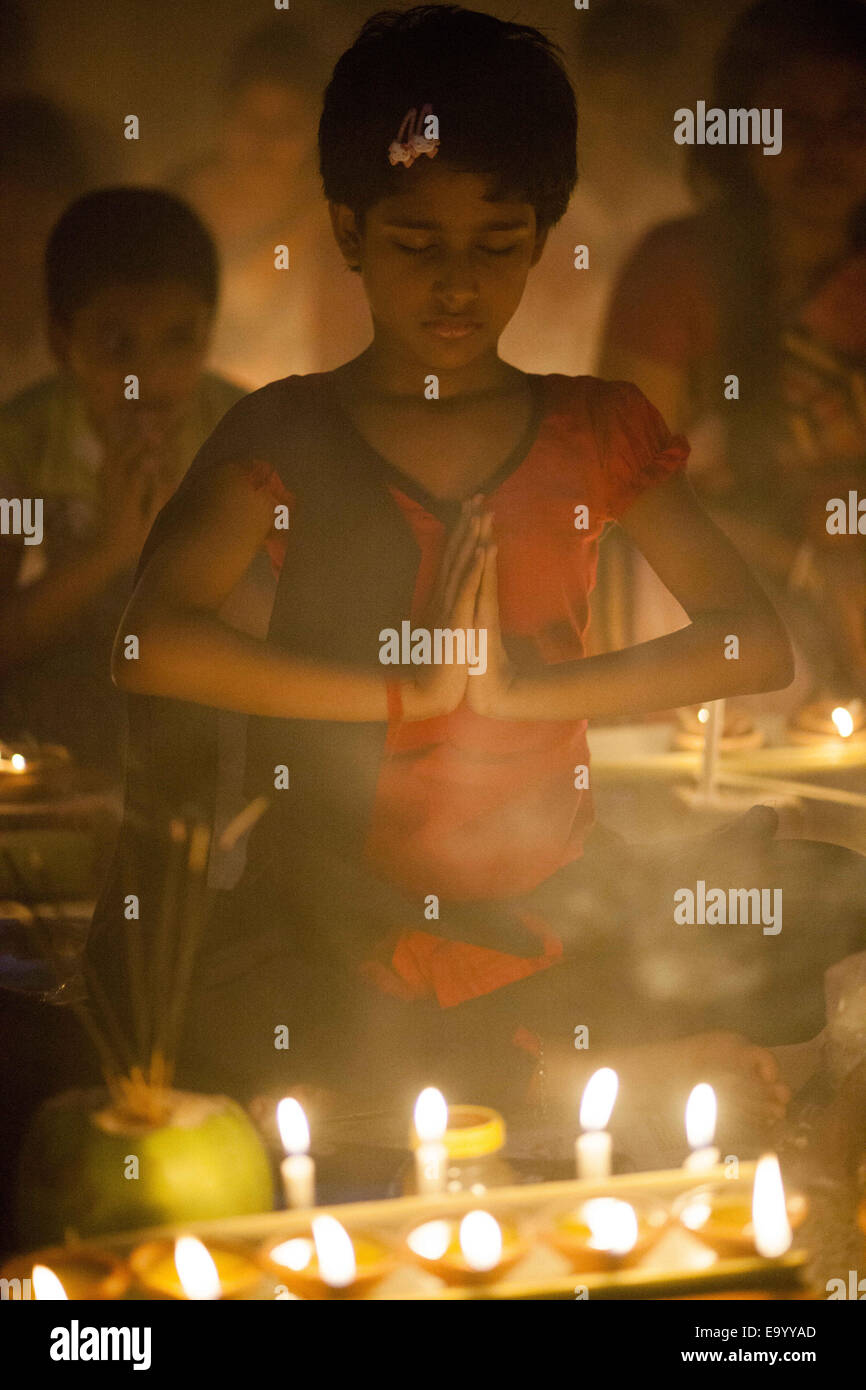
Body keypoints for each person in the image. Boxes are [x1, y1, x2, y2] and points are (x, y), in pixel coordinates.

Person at [86, 6, 865, 1141]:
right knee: (229, 1028)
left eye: (496, 244)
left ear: (543, 236)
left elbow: (750, 641)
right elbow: (149, 643)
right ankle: (562, 1080)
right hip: (340, 914)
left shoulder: (595, 431)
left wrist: (517, 695)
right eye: (415, 242)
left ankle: (539, 1067)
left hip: (557, 895)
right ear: (348, 231)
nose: (456, 281)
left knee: (829, 889)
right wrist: (404, 694)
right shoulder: (287, 435)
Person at [599, 0, 866, 721]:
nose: (825, 150)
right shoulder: (681, 269)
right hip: (726, 583)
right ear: (741, 129)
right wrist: (805, 565)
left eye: (852, 121)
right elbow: (620, 488)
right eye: (793, 122)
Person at [0, 187, 246, 771]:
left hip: (209, 716)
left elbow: (292, 626)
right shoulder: (21, 447)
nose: (149, 376)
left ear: (208, 334)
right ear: (64, 343)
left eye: (178, 339)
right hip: (53, 728)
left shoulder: (248, 436)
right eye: (117, 344)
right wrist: (110, 549)